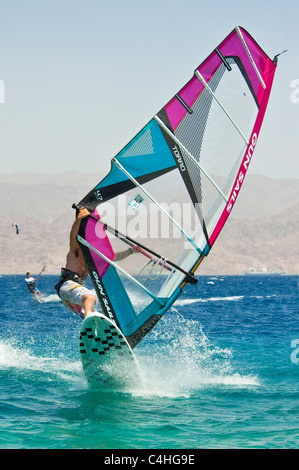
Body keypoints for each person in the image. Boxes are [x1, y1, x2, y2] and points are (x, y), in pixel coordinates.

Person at [55, 207, 136, 319]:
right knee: (90, 297)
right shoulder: (76, 250)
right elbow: (72, 235)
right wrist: (79, 218)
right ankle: (88, 315)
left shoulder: (92, 258)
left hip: (70, 294)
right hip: (67, 285)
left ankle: (95, 330)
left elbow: (112, 257)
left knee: (94, 315)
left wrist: (131, 251)